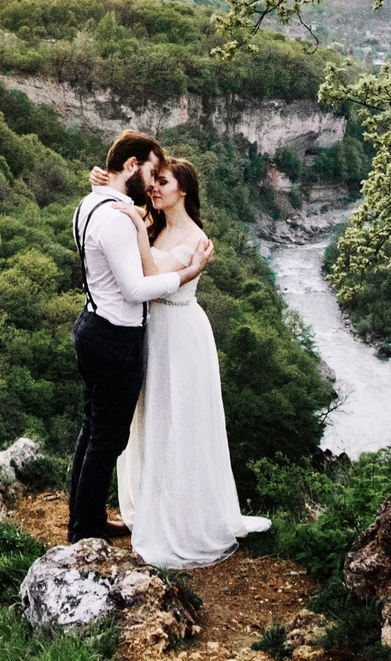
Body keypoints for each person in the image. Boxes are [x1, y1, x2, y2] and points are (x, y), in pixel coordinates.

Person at [113, 156, 271, 567]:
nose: (154, 189)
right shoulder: (157, 225)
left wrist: (133, 224)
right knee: (150, 418)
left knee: (177, 420)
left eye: (162, 182)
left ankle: (180, 519)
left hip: (180, 335)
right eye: (153, 182)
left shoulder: (194, 238)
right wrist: (111, 185)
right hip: (154, 331)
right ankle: (147, 505)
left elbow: (148, 277)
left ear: (182, 189)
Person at [67, 131, 211, 542]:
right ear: (131, 166)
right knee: (106, 441)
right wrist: (187, 274)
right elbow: (135, 288)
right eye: (149, 173)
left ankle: (85, 519)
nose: (151, 185)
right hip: (114, 337)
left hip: (94, 325)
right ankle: (84, 530)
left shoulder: (91, 205)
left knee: (92, 430)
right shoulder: (115, 217)